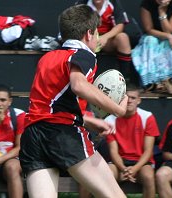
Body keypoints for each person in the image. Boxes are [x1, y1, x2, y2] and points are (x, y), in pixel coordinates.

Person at [19, 4, 129, 198]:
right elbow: (78, 85)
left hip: (33, 136)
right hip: (62, 135)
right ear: (89, 34)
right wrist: (118, 111)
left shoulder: (47, 58)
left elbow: (52, 105)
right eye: (96, 34)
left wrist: (88, 120)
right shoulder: (83, 54)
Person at [79, 85, 160, 198]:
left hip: (142, 163)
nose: (129, 101)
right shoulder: (110, 119)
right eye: (125, 98)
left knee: (149, 177)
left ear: (139, 100)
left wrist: (134, 169)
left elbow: (148, 151)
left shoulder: (148, 117)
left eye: (133, 98)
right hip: (119, 163)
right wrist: (124, 169)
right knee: (107, 175)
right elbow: (113, 152)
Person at [75, 0, 140, 86]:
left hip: (107, 40)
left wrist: (105, 37)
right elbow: (76, 27)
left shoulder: (113, 3)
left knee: (122, 38)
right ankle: (82, 79)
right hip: (87, 40)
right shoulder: (82, 4)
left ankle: (124, 79)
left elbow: (120, 25)